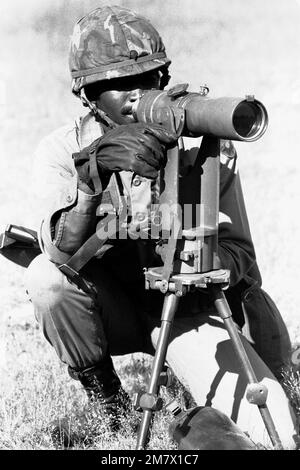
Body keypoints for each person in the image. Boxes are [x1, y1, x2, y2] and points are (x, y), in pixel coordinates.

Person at [25, 5, 297, 449]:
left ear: (164, 80)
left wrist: (199, 252)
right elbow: (58, 254)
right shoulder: (62, 149)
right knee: (45, 280)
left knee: (280, 431)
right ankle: (108, 403)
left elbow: (241, 252)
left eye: (147, 80)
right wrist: (92, 179)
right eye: (116, 86)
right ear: (87, 96)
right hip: (113, 305)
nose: (135, 96)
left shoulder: (199, 142)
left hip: (190, 309)